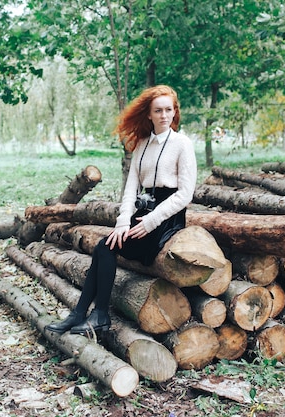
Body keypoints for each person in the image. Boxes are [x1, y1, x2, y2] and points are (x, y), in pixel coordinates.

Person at [46, 85, 198, 336]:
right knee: (105, 245)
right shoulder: (141, 144)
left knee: (105, 247)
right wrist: (123, 222)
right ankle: (84, 315)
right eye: (158, 110)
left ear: (175, 112)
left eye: (168, 110)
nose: (163, 115)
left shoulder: (182, 144)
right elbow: (130, 189)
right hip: (142, 209)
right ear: (149, 114)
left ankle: (95, 315)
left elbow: (185, 194)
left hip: (166, 218)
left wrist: (150, 222)